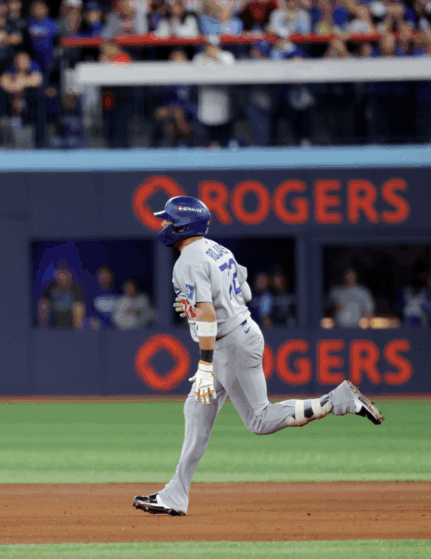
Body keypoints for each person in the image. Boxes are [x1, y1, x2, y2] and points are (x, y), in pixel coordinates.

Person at [133, 196, 383, 517]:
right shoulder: (218, 249)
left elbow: (209, 314)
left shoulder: (188, 261)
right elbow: (245, 293)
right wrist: (200, 305)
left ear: (183, 226)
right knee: (195, 414)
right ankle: (175, 495)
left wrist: (206, 365)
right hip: (236, 335)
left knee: (260, 420)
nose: (164, 224)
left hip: (230, 344)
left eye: (169, 220)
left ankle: (338, 400)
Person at [193, 35, 235, 148]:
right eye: (208, 46)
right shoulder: (199, 58)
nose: (211, 48)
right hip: (206, 107)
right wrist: (208, 58)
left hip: (223, 105)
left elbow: (231, 73)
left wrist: (216, 57)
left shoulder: (227, 56)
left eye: (213, 46)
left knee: (223, 142)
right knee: (207, 143)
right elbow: (196, 75)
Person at [38, 263, 86, 328]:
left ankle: (78, 331)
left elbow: (79, 304)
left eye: (65, 275)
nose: (63, 278)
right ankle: (43, 329)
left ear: (69, 276)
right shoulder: (51, 287)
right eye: (61, 275)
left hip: (69, 317)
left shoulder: (75, 288)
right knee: (43, 304)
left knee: (78, 307)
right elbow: (44, 301)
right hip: (55, 315)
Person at [398, 262, 431, 326]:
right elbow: (398, 310)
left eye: (425, 275)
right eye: (421, 274)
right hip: (407, 327)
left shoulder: (428, 293)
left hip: (424, 328)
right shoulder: (404, 291)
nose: (423, 277)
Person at [89, 264, 119, 329]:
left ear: (111, 276)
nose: (104, 276)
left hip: (117, 327)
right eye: (101, 274)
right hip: (98, 329)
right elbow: (90, 314)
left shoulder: (118, 294)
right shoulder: (92, 294)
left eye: (106, 274)